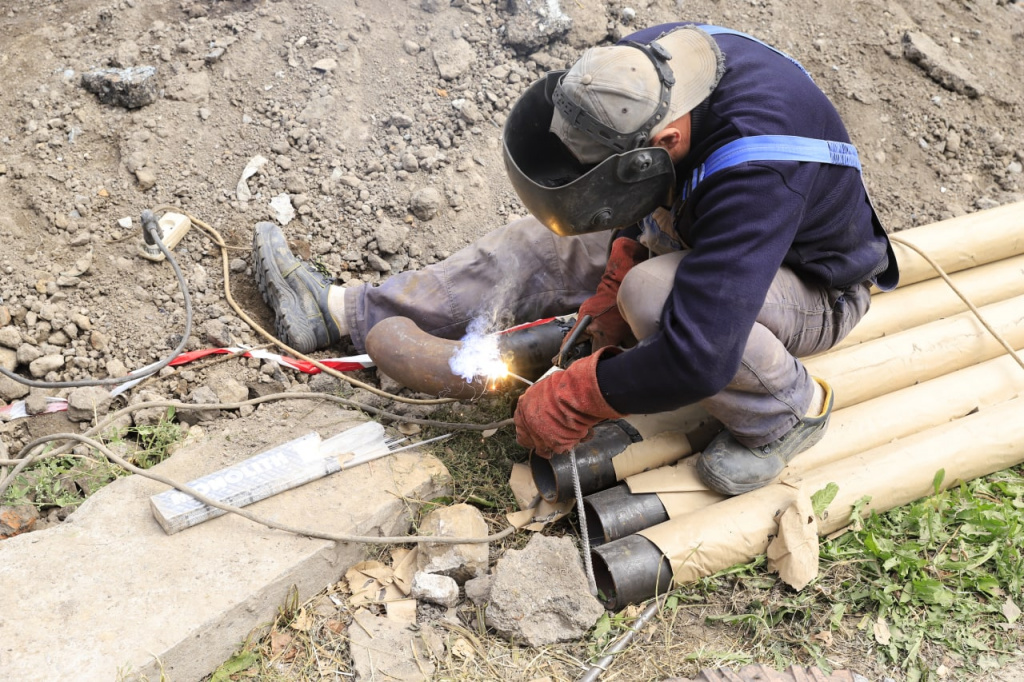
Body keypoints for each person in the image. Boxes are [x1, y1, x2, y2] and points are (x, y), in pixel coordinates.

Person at [252, 22, 899, 496]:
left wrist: (581, 394)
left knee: (650, 297)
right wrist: (614, 262)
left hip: (813, 286)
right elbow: (645, 195)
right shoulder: (638, 70)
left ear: (664, 138)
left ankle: (785, 415)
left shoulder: (760, 169)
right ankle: (345, 309)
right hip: (703, 223)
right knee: (544, 243)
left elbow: (699, 354)